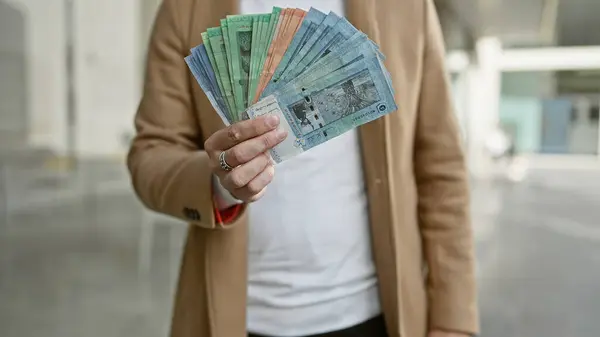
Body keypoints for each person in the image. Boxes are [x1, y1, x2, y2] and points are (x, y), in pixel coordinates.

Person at [127, 0, 479, 336]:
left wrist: (453, 318)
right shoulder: (186, 8)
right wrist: (221, 185)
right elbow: (152, 153)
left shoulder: (406, 5)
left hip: (376, 312)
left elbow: (440, 164)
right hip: (238, 315)